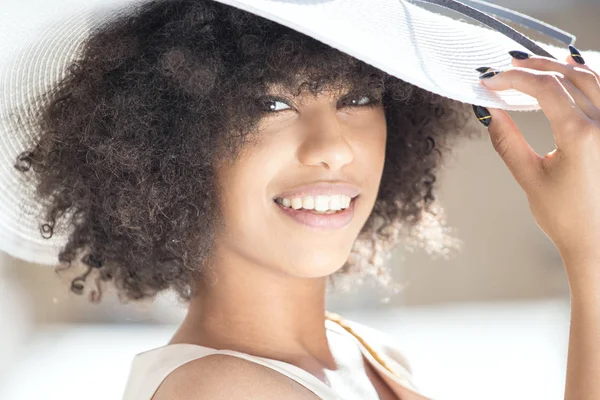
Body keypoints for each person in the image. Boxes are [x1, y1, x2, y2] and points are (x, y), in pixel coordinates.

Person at [1, 0, 599, 399]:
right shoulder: (220, 391)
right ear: (161, 141)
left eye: (359, 96)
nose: (333, 148)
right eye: (269, 104)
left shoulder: (364, 355)